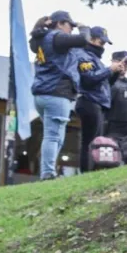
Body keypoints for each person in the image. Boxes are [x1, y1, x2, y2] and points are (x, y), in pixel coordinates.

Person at [29, 11, 89, 180]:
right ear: (61, 23)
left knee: (55, 135)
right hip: (56, 92)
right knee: (53, 136)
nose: (72, 29)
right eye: (70, 25)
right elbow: (83, 40)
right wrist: (84, 28)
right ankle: (47, 173)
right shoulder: (57, 37)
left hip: (42, 93)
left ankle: (49, 171)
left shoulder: (40, 39)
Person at [74, 26, 122, 172]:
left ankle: (91, 171)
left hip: (98, 103)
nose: (102, 47)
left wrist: (114, 74)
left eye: (104, 44)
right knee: (89, 142)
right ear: (91, 39)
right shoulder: (83, 55)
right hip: (88, 101)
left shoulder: (96, 60)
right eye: (100, 43)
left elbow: (104, 84)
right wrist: (109, 70)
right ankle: (86, 172)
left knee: (95, 141)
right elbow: (88, 80)